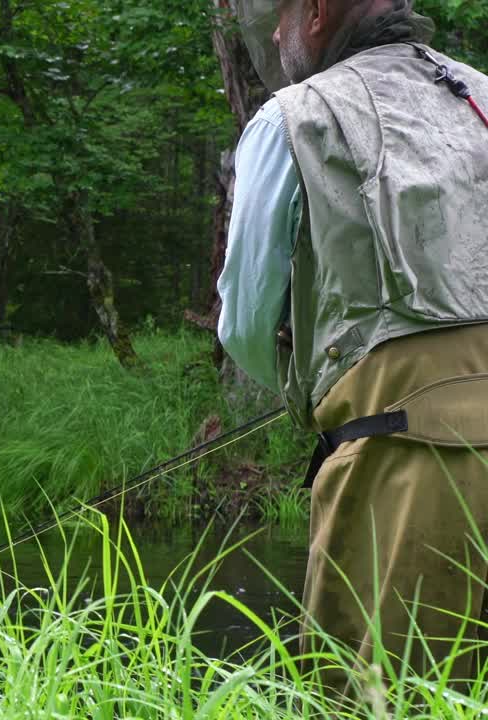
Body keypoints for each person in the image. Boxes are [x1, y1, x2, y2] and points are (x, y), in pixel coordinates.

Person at [219, 0, 488, 693]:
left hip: (401, 469)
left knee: (374, 697)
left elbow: (244, 324)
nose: (273, 35)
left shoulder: (292, 118)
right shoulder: (481, 94)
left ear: (314, 11)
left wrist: (304, 387)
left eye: (276, 16)